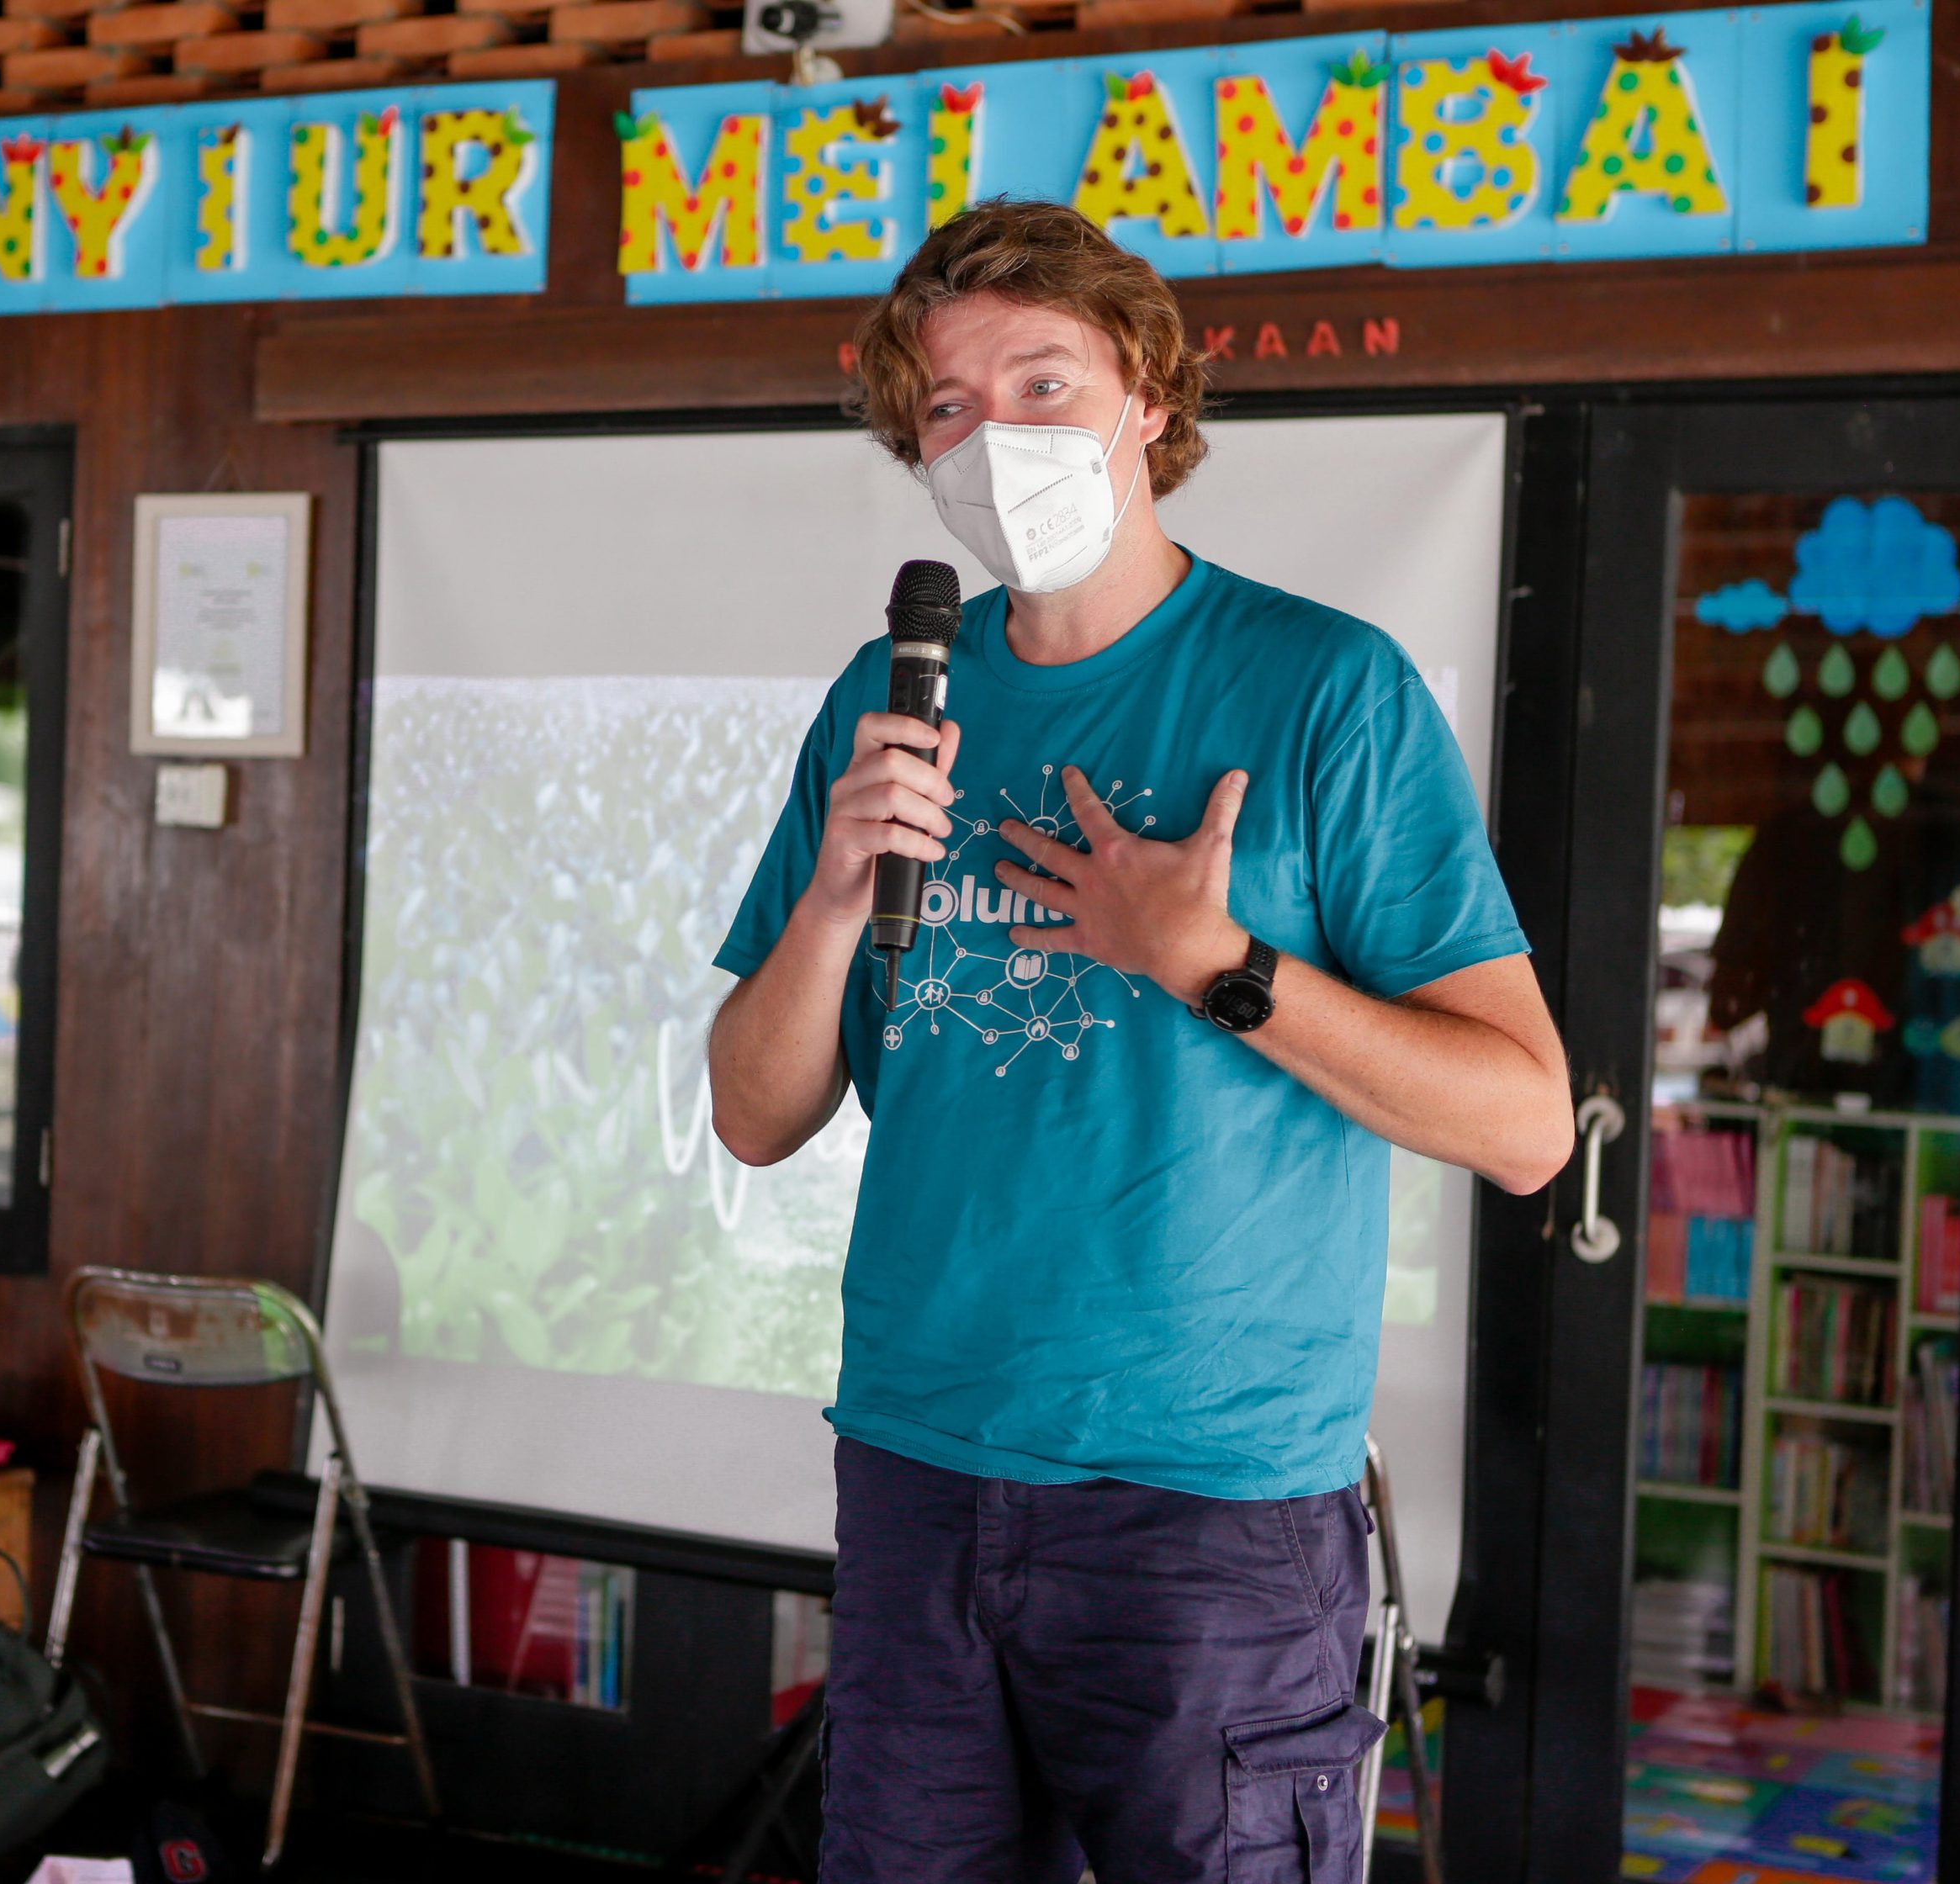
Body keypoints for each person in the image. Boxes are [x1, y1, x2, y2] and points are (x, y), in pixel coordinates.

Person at [706, 200, 1576, 1883]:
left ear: (1155, 399)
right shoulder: (888, 699)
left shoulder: (1330, 690)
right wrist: (828, 899)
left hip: (1214, 1513)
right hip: (918, 1470)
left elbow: (1527, 1121)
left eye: (1041, 380)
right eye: (947, 410)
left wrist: (1215, 961)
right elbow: (753, 1118)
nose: (992, 438)